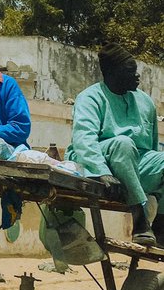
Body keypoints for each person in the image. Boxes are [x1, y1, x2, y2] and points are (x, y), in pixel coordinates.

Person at [67, 44, 163, 246]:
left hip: (136, 164)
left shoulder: (145, 102)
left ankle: (160, 227)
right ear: (111, 73)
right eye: (130, 71)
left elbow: (153, 147)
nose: (137, 76)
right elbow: (84, 140)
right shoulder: (90, 98)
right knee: (123, 144)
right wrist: (101, 171)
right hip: (95, 162)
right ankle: (139, 221)